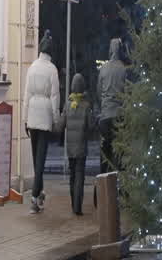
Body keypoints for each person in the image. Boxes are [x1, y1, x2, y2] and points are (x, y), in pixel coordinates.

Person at [24, 31, 61, 213]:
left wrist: (25, 119)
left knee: (35, 157)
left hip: (32, 113)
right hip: (45, 114)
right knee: (41, 159)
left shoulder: (32, 67)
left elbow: (26, 95)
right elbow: (55, 96)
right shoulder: (51, 69)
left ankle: (40, 194)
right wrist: (56, 119)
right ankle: (33, 196)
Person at [63, 72, 95, 215]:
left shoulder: (68, 105)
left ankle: (72, 205)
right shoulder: (86, 105)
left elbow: (59, 126)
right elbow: (91, 126)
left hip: (70, 148)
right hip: (81, 148)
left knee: (72, 176)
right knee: (79, 176)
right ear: (83, 87)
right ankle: (77, 207)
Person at [98, 38, 127, 177]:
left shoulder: (103, 68)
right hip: (118, 117)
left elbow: (98, 91)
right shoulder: (123, 69)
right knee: (119, 155)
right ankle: (119, 185)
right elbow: (127, 91)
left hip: (105, 116)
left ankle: (104, 186)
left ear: (110, 50)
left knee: (105, 154)